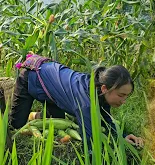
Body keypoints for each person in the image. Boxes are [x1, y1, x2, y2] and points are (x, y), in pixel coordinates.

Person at [9, 54, 143, 150]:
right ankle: (15, 101)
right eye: (121, 95)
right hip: (32, 77)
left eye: (126, 96)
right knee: (16, 125)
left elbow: (104, 117)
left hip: (51, 87)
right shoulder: (85, 104)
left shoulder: (100, 91)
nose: (123, 101)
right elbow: (90, 143)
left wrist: (124, 136)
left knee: (55, 119)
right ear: (105, 88)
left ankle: (34, 115)